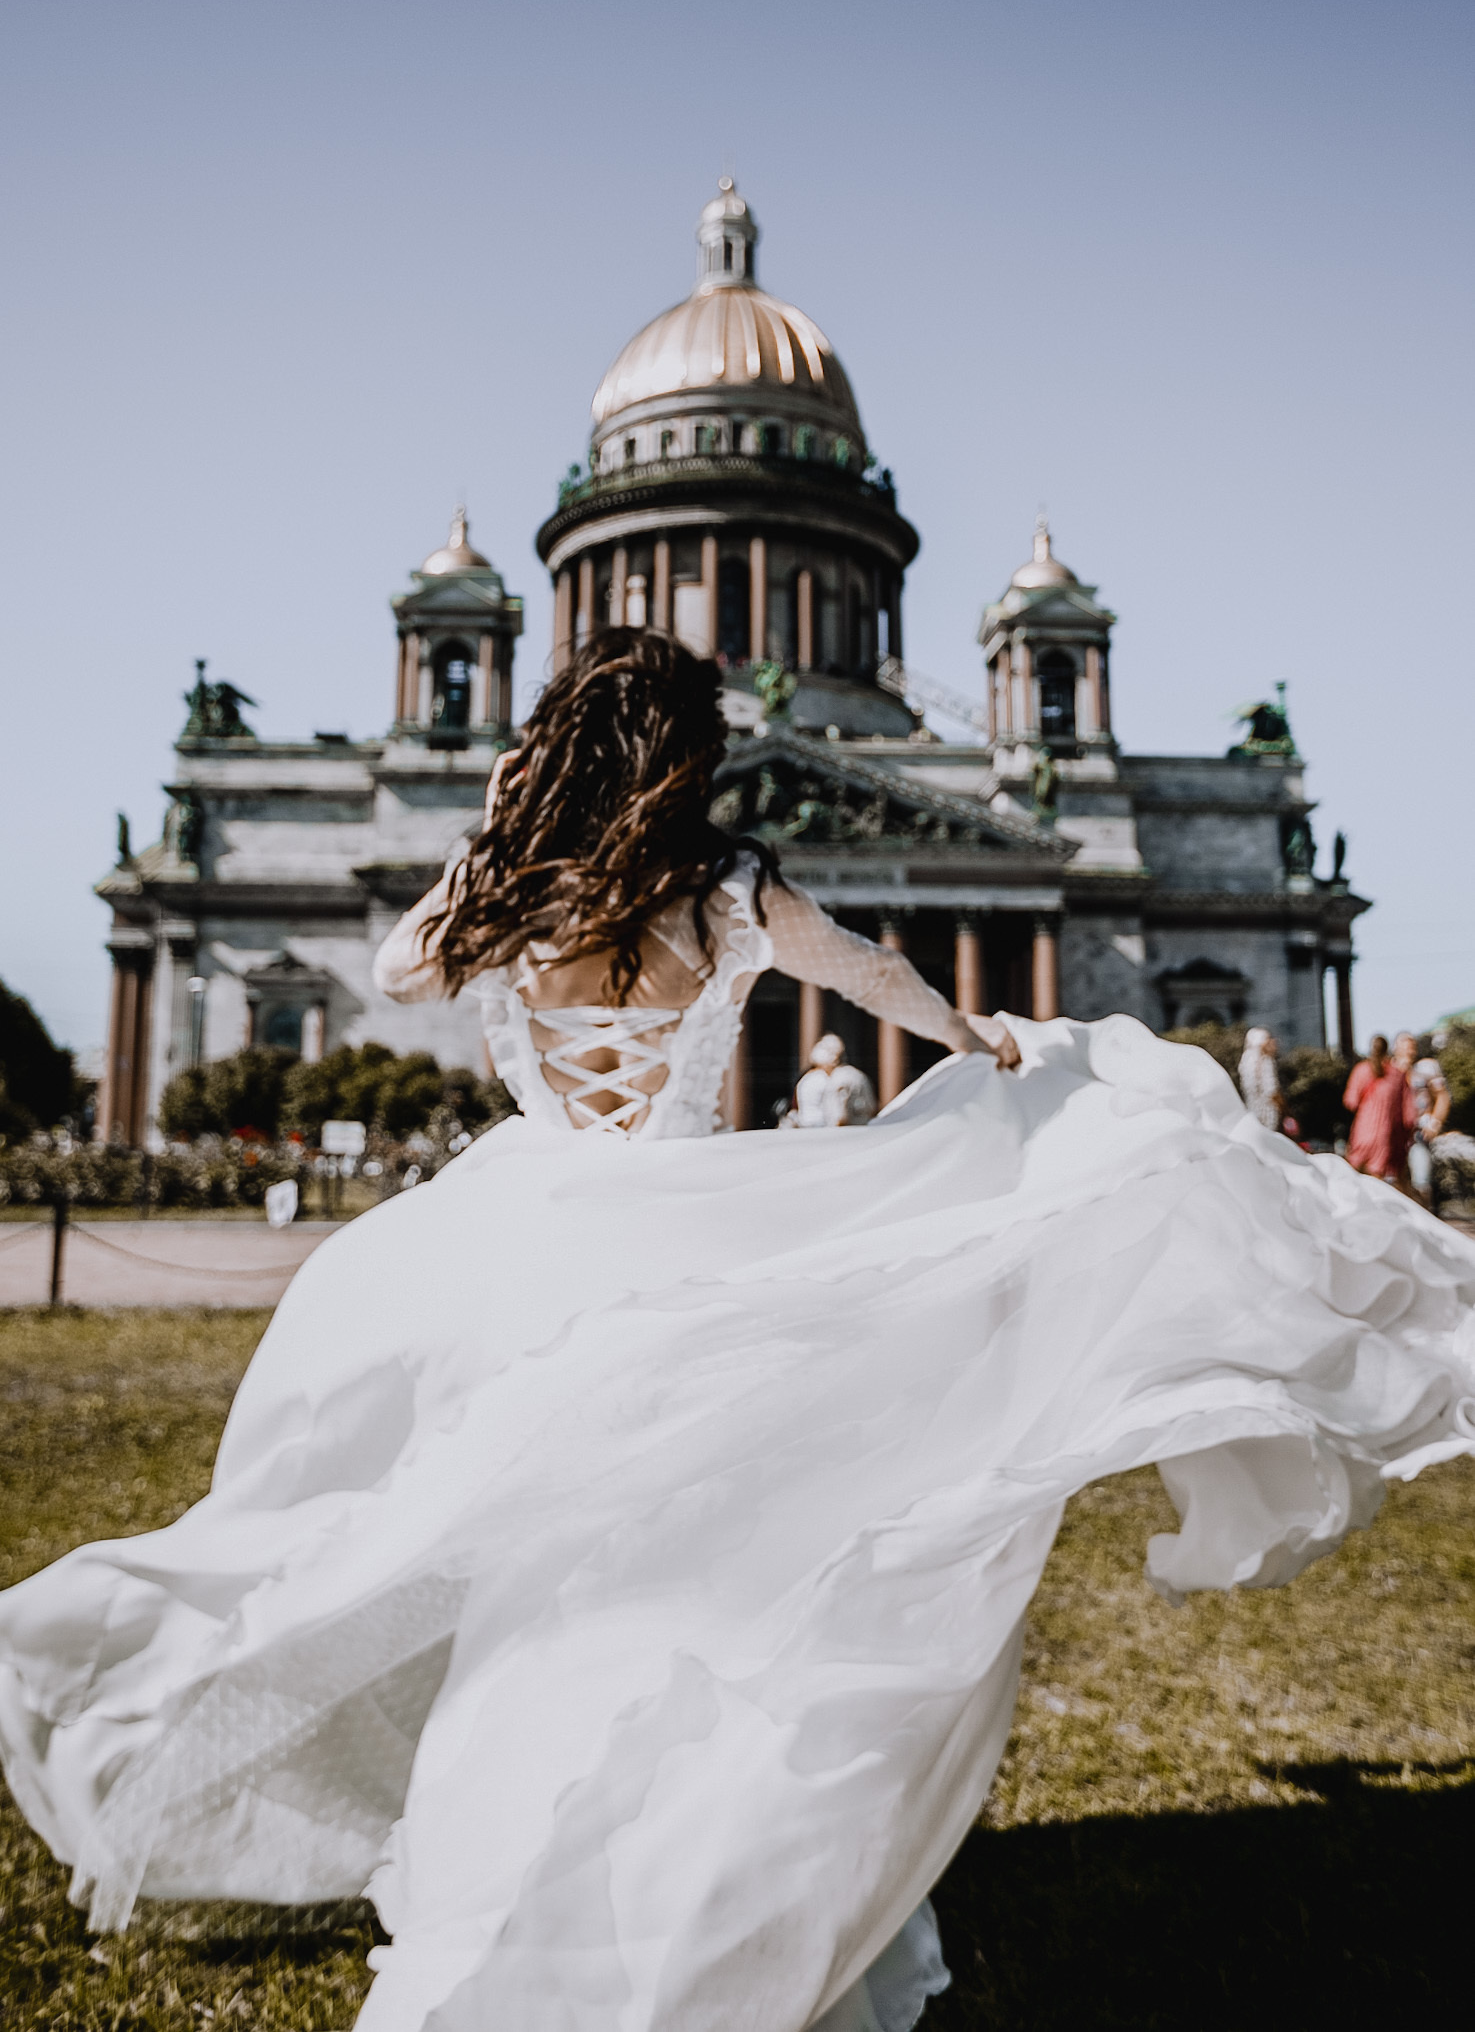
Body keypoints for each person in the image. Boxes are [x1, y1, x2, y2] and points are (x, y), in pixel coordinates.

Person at [0, 630, 1472, 2032]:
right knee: (696, 1572)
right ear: (692, 756)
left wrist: (500, 832)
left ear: (553, 748)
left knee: (472, 1554)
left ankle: (490, 1819)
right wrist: (982, 1045)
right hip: (687, 1229)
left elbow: (395, 971)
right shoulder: (725, 887)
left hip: (509, 1246)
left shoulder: (513, 888)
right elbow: (876, 981)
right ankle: (686, 1853)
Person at [1343, 1034, 1417, 1190]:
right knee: (1378, 1181)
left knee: (1353, 1175)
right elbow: (1409, 1115)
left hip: (1363, 1131)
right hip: (1386, 1134)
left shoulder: (1362, 1069)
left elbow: (1351, 1101)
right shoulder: (1397, 1074)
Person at [1395, 1031, 1450, 1205]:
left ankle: (1425, 1216)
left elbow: (1442, 1096)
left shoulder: (1426, 1068)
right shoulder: (1390, 1070)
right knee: (1394, 1181)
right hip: (1396, 1132)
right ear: (1396, 1049)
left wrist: (1435, 1122)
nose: (1410, 1051)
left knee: (1422, 1181)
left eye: (1412, 1047)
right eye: (1405, 1048)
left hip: (1419, 1130)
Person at [787, 1032, 878, 1129]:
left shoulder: (835, 1078)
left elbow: (840, 1117)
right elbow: (872, 1107)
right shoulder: (857, 1075)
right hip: (862, 1129)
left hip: (841, 1133)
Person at [1236, 1026, 1282, 1131]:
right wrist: (1284, 1109)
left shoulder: (1246, 1058)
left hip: (1251, 1108)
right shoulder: (1264, 1059)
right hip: (1266, 1110)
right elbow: (1270, 1089)